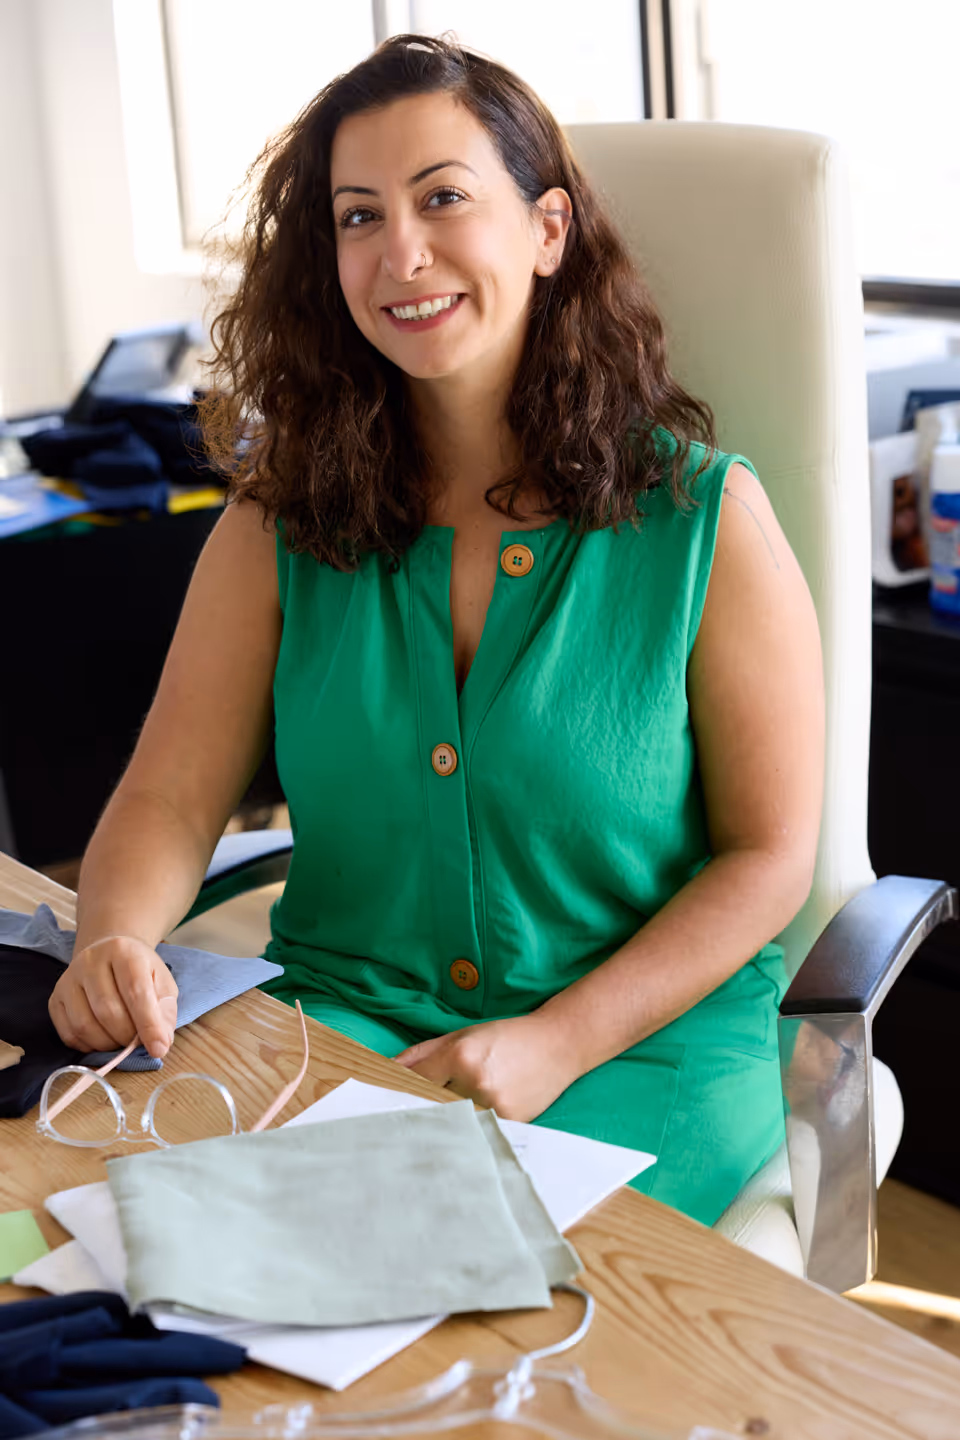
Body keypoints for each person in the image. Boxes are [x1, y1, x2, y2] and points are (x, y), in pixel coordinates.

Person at [49, 35, 824, 1225]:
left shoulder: (703, 517)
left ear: (548, 231)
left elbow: (770, 857)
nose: (399, 254)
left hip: (632, 1039)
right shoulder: (277, 527)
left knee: (485, 1318)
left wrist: (556, 1041)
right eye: (357, 217)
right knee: (165, 1256)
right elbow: (166, 795)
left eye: (444, 198)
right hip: (351, 1029)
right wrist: (114, 938)